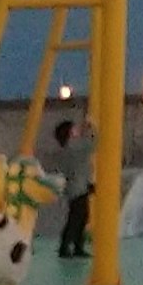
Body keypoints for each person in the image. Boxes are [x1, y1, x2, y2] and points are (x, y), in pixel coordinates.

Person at [50, 96, 98, 271]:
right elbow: (93, 143)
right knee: (78, 218)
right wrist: (91, 127)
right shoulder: (74, 148)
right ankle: (71, 246)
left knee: (78, 217)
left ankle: (72, 246)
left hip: (75, 186)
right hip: (79, 187)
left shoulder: (65, 149)